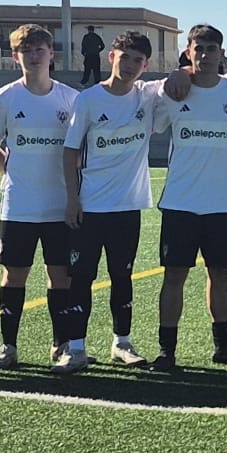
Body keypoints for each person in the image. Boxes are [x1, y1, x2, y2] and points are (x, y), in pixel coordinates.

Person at [149, 25, 227, 370]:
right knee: (174, 276)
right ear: (188, 52)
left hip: (222, 202)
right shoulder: (173, 91)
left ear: (222, 53)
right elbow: (150, 117)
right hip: (180, 202)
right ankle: (167, 350)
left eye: (212, 48)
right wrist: (173, 75)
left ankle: (223, 346)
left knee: (220, 275)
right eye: (199, 49)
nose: (205, 55)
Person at [59, 31, 160, 373]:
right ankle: (75, 349)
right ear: (111, 57)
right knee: (81, 277)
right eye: (125, 57)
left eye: (138, 60)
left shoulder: (146, 97)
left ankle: (122, 342)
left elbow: (181, 79)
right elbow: (70, 151)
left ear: (145, 66)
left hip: (127, 207)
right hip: (90, 207)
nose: (130, 65)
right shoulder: (88, 100)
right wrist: (72, 198)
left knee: (122, 276)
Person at [0, 23, 77, 368]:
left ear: (52, 55)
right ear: (15, 57)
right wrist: (12, 172)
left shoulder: (70, 99)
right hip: (18, 204)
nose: (33, 56)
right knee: (13, 274)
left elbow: (78, 149)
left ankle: (60, 345)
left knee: (60, 275)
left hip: (59, 205)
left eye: (40, 49)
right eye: (26, 50)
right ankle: (8, 346)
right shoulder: (5, 97)